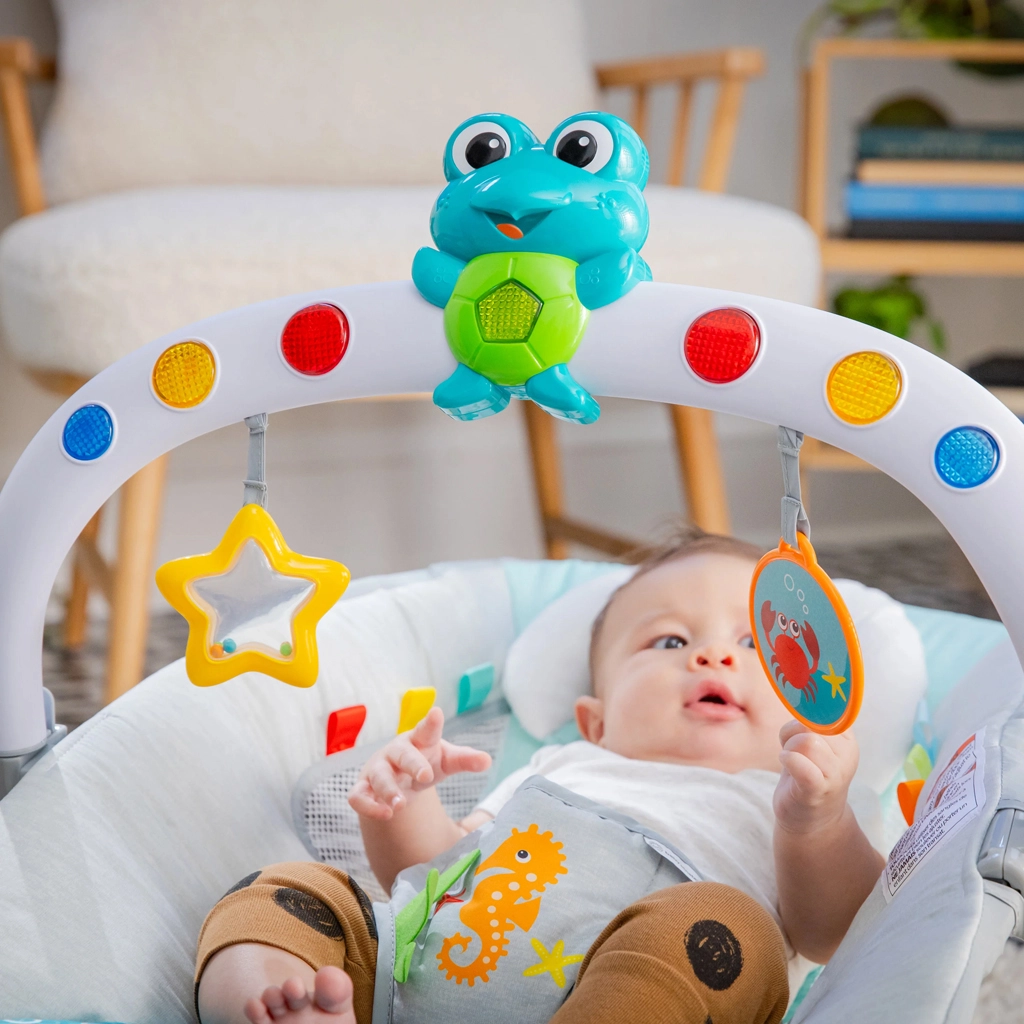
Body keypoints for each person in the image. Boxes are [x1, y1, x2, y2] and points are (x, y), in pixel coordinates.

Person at [195, 530, 885, 1024]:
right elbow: (437, 867)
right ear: (596, 720)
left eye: (755, 643)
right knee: (284, 891)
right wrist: (405, 805)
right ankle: (289, 1009)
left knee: (723, 933)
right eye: (670, 641)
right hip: (407, 984)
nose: (712, 656)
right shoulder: (562, 765)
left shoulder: (800, 802)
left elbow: (833, 935)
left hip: (640, 993)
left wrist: (817, 820)